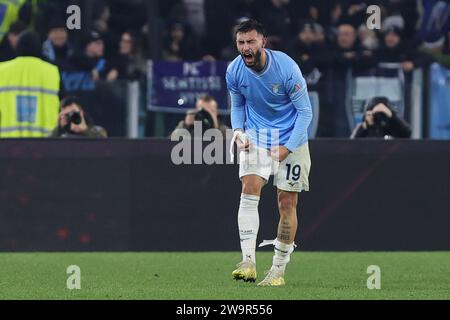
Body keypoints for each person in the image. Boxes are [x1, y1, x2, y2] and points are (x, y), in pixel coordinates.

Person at [226, 19, 312, 286]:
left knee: (286, 202)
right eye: (241, 42)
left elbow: (305, 112)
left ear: (263, 42)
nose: (245, 48)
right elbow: (237, 105)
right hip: (258, 135)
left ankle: (277, 271)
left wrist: (288, 147)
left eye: (251, 41)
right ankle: (248, 261)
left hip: (291, 138)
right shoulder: (234, 70)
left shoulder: (286, 68)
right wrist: (238, 130)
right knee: (249, 186)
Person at [0, 31, 60, 138]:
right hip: (46, 144)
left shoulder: (2, 70)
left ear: (18, 47)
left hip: (6, 144)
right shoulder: (52, 72)